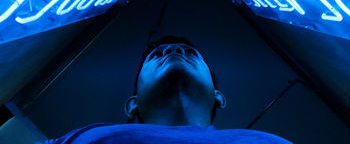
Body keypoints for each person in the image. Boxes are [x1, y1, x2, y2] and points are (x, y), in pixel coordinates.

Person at [44, 36, 292, 143]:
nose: (174, 51)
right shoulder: (80, 137)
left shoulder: (268, 141)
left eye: (189, 52)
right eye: (157, 54)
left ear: (219, 97)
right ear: (132, 104)